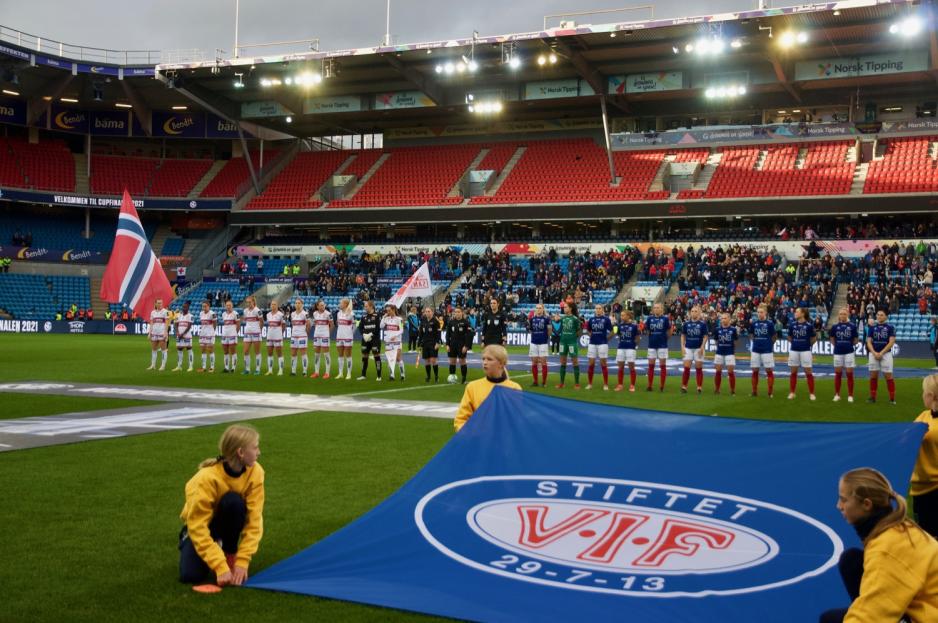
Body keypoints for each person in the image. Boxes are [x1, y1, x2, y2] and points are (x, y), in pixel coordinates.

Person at [818, 467, 938, 623]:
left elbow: (871, 616)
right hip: (926, 605)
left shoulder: (886, 550)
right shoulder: (897, 527)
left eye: (844, 500)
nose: (838, 506)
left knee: (830, 619)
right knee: (852, 561)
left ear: (866, 505)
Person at [178, 424, 265, 587]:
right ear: (240, 453)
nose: (259, 452)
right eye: (255, 448)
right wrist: (219, 565)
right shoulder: (206, 478)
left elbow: (255, 520)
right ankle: (191, 539)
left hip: (226, 522)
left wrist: (242, 560)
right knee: (190, 576)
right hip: (203, 527)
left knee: (234, 503)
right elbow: (197, 526)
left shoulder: (256, 472)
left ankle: (229, 551)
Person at [453, 345, 522, 432]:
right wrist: (469, 434)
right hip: (478, 442)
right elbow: (461, 419)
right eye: (483, 359)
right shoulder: (473, 387)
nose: (485, 362)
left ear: (501, 363)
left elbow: (517, 419)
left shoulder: (514, 388)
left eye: (489, 359)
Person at [912, 374, 938, 539]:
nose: (922, 395)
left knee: (932, 537)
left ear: (932, 396)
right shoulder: (924, 415)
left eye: (924, 392)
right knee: (923, 534)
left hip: (934, 488)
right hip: (919, 487)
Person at [867, 310, 897, 405]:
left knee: (888, 376)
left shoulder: (890, 327)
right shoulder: (872, 328)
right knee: (873, 376)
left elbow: (891, 342)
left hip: (886, 354)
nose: (879, 316)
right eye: (878, 315)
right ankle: (872, 397)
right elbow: (868, 342)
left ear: (886, 317)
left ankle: (892, 399)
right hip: (873, 354)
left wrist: (881, 353)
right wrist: (874, 352)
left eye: (881, 315)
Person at [830, 307, 860, 403]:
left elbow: (856, 340)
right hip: (838, 352)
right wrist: (838, 345)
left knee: (849, 374)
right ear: (838, 315)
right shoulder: (834, 327)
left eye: (844, 314)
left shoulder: (852, 326)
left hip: (849, 352)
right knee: (838, 374)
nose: (842, 315)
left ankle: (850, 395)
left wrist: (847, 344)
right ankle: (837, 394)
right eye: (841, 314)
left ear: (847, 315)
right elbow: (832, 339)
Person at [787, 307, 817, 401]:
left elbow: (813, 339)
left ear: (803, 314)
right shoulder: (792, 325)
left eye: (797, 312)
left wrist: (806, 344)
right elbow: (789, 337)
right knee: (793, 372)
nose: (795, 313)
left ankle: (812, 393)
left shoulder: (809, 326)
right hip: (794, 350)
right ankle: (792, 392)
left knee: (808, 372)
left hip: (806, 351)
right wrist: (796, 343)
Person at [749, 304, 777, 397]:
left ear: (765, 313)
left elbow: (774, 336)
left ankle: (770, 392)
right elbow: (751, 334)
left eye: (761, 312)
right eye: (758, 312)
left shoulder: (769, 324)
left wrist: (769, 344)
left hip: (767, 350)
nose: (759, 314)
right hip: (756, 350)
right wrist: (755, 340)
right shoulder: (754, 323)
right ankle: (754, 391)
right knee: (755, 370)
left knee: (769, 370)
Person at [680, 305, 708, 394]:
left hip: (698, 348)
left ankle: (699, 387)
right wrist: (682, 347)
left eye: (696, 311)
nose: (693, 313)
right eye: (692, 311)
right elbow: (683, 335)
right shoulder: (686, 324)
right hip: (688, 348)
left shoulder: (702, 324)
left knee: (698, 368)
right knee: (686, 368)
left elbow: (705, 336)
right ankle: (684, 386)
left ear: (699, 313)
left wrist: (702, 347)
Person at [646, 302, 673, 392]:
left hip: (662, 345)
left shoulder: (665, 319)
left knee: (662, 366)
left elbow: (669, 332)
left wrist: (664, 339)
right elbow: (647, 331)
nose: (656, 309)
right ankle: (649, 385)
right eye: (655, 308)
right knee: (651, 366)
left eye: (658, 308)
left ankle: (662, 386)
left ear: (661, 309)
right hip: (652, 345)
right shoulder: (649, 319)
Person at [585, 304, 613, 391]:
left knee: (603, 363)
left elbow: (613, 330)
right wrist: (591, 335)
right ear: (595, 310)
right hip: (592, 343)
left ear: (602, 310)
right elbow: (588, 329)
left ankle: (605, 384)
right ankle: (590, 384)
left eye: (599, 308)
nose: (598, 310)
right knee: (591, 364)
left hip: (602, 344)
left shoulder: (606, 319)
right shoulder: (591, 319)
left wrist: (608, 338)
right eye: (596, 308)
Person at [555, 303, 581, 389]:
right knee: (563, 362)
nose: (564, 308)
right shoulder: (563, 318)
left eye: (566, 307)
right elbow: (559, 328)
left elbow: (579, 331)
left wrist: (573, 337)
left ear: (570, 308)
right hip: (563, 342)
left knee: (575, 362)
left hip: (572, 342)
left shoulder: (575, 319)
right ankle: (562, 383)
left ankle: (577, 383)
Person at [614, 310, 640, 392]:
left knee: (631, 367)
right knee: (620, 367)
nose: (621, 317)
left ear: (628, 316)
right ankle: (620, 385)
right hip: (621, 348)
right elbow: (617, 334)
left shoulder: (634, 326)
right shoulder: (619, 325)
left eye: (623, 315)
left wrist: (634, 345)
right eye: (621, 315)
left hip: (630, 348)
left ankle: (632, 385)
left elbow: (638, 338)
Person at [713, 313, 738, 395]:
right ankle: (717, 389)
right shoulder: (717, 329)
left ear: (729, 319)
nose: (723, 320)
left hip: (729, 353)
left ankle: (732, 389)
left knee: (730, 372)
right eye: (722, 318)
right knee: (718, 372)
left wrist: (732, 350)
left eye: (725, 318)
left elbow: (736, 342)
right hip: (719, 352)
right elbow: (716, 341)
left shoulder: (733, 329)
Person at [357, 300, 383, 381]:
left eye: (366, 306)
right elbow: (360, 327)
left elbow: (378, 327)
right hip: (365, 340)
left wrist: (371, 334)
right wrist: (364, 334)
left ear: (371, 306)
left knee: (376, 356)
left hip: (374, 339)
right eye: (365, 306)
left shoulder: (377, 315)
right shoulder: (364, 316)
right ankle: (363, 375)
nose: (365, 308)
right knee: (364, 356)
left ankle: (379, 376)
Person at [446, 306, 472, 384]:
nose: (457, 313)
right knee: (452, 361)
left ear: (462, 313)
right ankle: (452, 377)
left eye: (458, 312)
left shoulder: (466, 322)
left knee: (462, 361)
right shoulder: (451, 322)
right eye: (456, 312)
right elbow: (448, 334)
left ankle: (464, 379)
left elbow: (469, 335)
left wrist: (466, 346)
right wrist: (447, 344)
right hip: (452, 344)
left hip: (462, 345)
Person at [416, 306, 442, 383]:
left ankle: (436, 377)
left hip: (433, 343)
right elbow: (421, 333)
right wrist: (419, 344)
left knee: (433, 360)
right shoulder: (423, 320)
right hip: (425, 343)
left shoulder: (435, 321)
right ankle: (428, 376)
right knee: (427, 361)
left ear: (432, 312)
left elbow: (438, 333)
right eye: (426, 311)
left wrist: (438, 343)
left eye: (429, 311)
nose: (427, 313)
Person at [527, 304, 551, 388]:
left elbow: (549, 330)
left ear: (543, 309)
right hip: (534, 342)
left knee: (543, 362)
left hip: (543, 343)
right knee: (534, 362)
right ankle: (535, 381)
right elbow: (530, 330)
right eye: (537, 308)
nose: (538, 309)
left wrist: (545, 337)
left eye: (540, 308)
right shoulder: (532, 319)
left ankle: (544, 382)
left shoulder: (546, 319)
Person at [310, 300, 334, 379]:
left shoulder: (328, 314)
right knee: (316, 354)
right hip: (317, 335)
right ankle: (316, 372)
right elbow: (315, 324)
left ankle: (327, 373)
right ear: (317, 306)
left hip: (325, 336)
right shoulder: (315, 314)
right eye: (321, 305)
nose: (322, 306)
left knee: (326, 354)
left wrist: (328, 335)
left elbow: (332, 325)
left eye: (323, 305)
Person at [381, 304, 406, 381]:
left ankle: (402, 374)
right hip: (388, 341)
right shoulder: (386, 318)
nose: (388, 312)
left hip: (397, 341)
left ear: (393, 310)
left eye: (389, 310)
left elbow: (402, 330)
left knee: (398, 358)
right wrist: (383, 317)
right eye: (387, 311)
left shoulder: (399, 319)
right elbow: (381, 326)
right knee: (390, 359)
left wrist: (395, 335)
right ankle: (392, 375)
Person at [241, 296, 263, 376]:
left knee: (257, 352)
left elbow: (262, 321)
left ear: (253, 302)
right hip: (247, 333)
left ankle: (257, 369)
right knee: (245, 351)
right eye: (247, 302)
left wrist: (258, 330)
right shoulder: (245, 311)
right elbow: (245, 320)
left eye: (249, 302)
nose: (248, 303)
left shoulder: (258, 310)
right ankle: (247, 369)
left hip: (256, 333)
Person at [334, 298, 355, 380]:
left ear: (346, 304)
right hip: (339, 336)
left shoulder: (351, 313)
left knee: (348, 355)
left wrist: (350, 334)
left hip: (347, 337)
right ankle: (340, 373)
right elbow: (338, 324)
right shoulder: (338, 313)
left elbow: (354, 326)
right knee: (340, 355)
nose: (339, 304)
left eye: (341, 303)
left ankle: (349, 373)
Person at [289, 299, 310, 376]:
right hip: (294, 336)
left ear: (302, 304)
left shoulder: (305, 314)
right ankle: (293, 371)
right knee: (293, 354)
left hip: (302, 336)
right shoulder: (292, 314)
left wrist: (305, 334)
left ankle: (304, 371)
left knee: (303, 353)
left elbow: (308, 324)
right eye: (296, 303)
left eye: (299, 303)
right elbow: (293, 324)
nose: (297, 304)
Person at [147, 298, 169, 371]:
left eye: (161, 303)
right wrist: (150, 333)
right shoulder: (152, 312)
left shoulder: (165, 312)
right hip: (154, 333)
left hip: (162, 333)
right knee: (154, 349)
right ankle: (153, 365)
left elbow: (167, 322)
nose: (160, 304)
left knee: (163, 350)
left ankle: (163, 365)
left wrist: (166, 332)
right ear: (155, 304)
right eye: (158, 303)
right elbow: (151, 323)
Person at [173, 301, 195, 372]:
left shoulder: (190, 316)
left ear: (188, 308)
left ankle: (191, 366)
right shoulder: (178, 315)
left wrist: (182, 334)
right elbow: (175, 324)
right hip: (179, 335)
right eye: (183, 307)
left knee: (189, 349)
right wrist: (178, 333)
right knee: (179, 349)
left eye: (185, 307)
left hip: (187, 336)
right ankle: (179, 366)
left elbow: (189, 326)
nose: (183, 308)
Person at [264, 301, 285, 376]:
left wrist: (280, 333)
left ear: (277, 305)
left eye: (274, 304)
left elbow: (284, 325)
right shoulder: (268, 315)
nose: (273, 306)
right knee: (269, 354)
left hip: (277, 336)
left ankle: (281, 370)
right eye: (272, 304)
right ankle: (270, 370)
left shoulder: (281, 314)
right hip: (269, 336)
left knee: (279, 354)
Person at [220, 300, 240, 373]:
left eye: (229, 305)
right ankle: (226, 367)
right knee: (225, 352)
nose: (228, 307)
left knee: (233, 351)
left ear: (232, 306)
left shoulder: (236, 314)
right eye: (227, 305)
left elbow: (238, 325)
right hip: (224, 335)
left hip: (232, 335)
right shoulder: (223, 314)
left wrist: (235, 333)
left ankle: (233, 368)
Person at [197, 301, 217, 373]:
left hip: (210, 334)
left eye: (205, 306)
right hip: (202, 334)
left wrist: (212, 332)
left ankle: (212, 367)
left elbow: (215, 324)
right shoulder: (201, 313)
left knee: (210, 350)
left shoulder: (212, 314)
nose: (204, 308)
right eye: (203, 306)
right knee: (203, 350)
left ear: (209, 306)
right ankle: (204, 367)